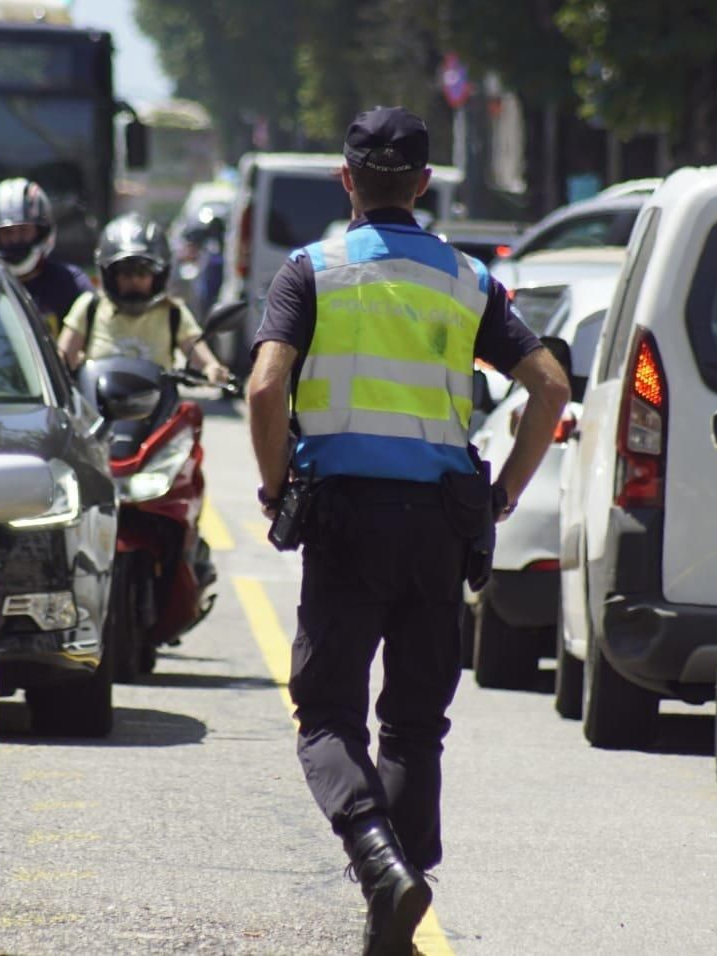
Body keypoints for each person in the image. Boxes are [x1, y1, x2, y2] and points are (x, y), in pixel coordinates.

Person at [245, 107, 570, 955]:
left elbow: (263, 389)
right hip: (438, 526)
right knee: (416, 722)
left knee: (324, 714)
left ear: (346, 180)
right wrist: (500, 493)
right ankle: (395, 903)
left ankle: (378, 861)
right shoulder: (466, 279)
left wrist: (277, 484)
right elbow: (550, 388)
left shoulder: (310, 271)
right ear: (423, 185)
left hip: (345, 522)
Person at [58, 216, 232, 383]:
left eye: (143, 273)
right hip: (99, 410)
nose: (134, 280)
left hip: (159, 410)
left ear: (158, 275)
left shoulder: (173, 312)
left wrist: (213, 369)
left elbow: (201, 357)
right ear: (110, 275)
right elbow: (62, 358)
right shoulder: (90, 306)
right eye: (126, 273)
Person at [0, 177, 92, 337]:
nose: (15, 240)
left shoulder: (71, 283)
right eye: (7, 233)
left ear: (42, 232)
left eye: (23, 231)